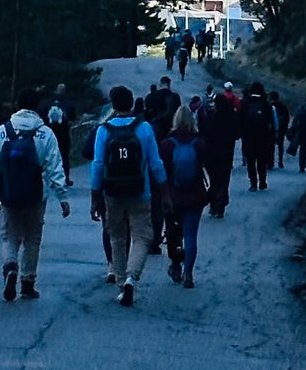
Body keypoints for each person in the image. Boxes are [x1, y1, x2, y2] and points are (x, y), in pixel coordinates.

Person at [0, 85, 70, 299]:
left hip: (9, 192)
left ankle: (10, 265)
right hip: (37, 193)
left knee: (9, 234)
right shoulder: (45, 133)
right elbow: (55, 166)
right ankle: (27, 281)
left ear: (17, 105)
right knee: (33, 236)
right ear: (37, 107)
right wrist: (63, 197)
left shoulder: (4, 130)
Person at [90, 83, 167, 306]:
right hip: (140, 192)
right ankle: (132, 278)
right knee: (142, 237)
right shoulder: (144, 129)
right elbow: (155, 163)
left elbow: (97, 164)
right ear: (132, 103)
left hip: (112, 193)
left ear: (113, 105)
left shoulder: (104, 130)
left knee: (117, 237)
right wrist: (165, 192)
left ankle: (121, 282)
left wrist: (96, 197)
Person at [159, 101, 209, 286]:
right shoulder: (200, 143)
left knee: (173, 233)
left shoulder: (166, 145)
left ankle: (176, 265)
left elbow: (160, 171)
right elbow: (208, 167)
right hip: (195, 195)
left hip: (172, 196)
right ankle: (189, 272)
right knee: (191, 235)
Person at [199, 84, 238, 217]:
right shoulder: (231, 118)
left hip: (211, 154)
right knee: (224, 180)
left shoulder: (210, 118)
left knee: (214, 180)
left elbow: (204, 134)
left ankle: (212, 203)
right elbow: (236, 134)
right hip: (226, 154)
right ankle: (220, 205)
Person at [240, 82, 273, 191]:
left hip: (249, 137)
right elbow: (271, 122)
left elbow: (241, 121)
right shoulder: (265, 104)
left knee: (251, 161)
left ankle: (253, 183)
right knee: (262, 160)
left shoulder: (245, 104)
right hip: (263, 137)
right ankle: (263, 182)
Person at [45, 83, 73, 183]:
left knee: (50, 156)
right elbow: (73, 117)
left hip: (50, 134)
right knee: (64, 156)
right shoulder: (67, 103)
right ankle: (65, 177)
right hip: (64, 134)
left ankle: (50, 178)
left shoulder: (48, 103)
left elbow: (43, 116)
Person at [269, 89, 291, 171]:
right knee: (280, 145)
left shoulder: (269, 106)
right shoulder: (283, 106)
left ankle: (271, 161)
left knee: (271, 146)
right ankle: (280, 161)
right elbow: (287, 117)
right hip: (281, 128)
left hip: (272, 129)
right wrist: (285, 127)